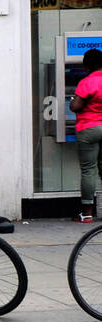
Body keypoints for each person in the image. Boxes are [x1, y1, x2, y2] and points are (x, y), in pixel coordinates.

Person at [71, 47, 102, 223]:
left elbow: (75, 106)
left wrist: (71, 103)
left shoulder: (87, 81)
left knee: (89, 170)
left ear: (86, 65)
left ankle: (87, 214)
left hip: (89, 128)